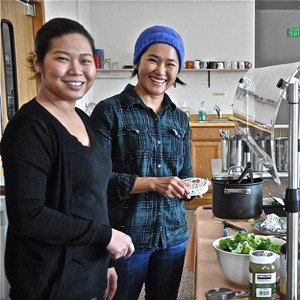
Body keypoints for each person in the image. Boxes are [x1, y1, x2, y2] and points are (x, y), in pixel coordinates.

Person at [1, 17, 134, 300]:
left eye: (85, 60)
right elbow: (29, 217)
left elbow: (91, 198)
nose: (77, 70)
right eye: (63, 58)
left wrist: (105, 262)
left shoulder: (82, 119)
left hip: (89, 272)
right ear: (38, 62)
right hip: (51, 283)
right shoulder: (29, 129)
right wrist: (106, 236)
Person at [90, 25, 194, 300]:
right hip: (127, 238)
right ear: (137, 62)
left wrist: (190, 187)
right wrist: (152, 184)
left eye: (170, 64)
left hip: (172, 236)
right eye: (152, 59)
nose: (161, 71)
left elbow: (186, 175)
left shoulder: (180, 119)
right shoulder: (109, 111)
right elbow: (95, 181)